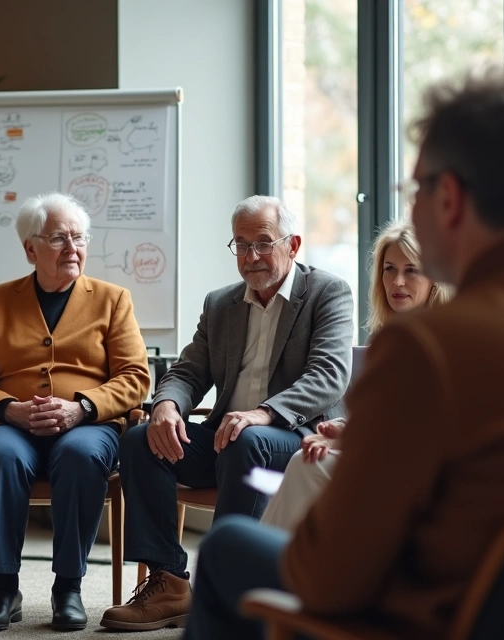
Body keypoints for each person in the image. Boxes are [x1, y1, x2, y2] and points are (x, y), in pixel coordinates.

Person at [180, 62, 504, 640]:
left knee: (230, 547)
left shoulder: (430, 347)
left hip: (468, 623)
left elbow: (331, 579)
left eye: (416, 189)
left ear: (449, 197)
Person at [100, 195, 354, 631]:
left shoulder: (327, 292)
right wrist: (165, 405)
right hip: (225, 436)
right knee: (141, 440)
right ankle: (170, 583)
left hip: (291, 437)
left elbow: (329, 375)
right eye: (241, 245)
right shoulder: (220, 303)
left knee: (246, 439)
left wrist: (264, 413)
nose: (251, 256)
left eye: (262, 243)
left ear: (292, 245)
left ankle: (228, 589)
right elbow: (188, 371)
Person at [0, 192, 151, 631]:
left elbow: (136, 377)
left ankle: (68, 587)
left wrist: (81, 408)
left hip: (86, 425)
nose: (72, 248)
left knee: (81, 455)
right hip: (13, 426)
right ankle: (4, 588)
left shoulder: (112, 299)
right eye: (59, 238)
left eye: (79, 238)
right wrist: (9, 410)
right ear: (30, 249)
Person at [259, 221, 448, 529]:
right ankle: (279, 566)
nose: (397, 282)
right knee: (307, 461)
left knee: (307, 466)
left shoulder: (441, 339)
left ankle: (268, 565)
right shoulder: (390, 340)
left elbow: (428, 429)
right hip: (390, 459)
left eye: (411, 270)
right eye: (389, 269)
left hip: (422, 474)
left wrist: (352, 438)